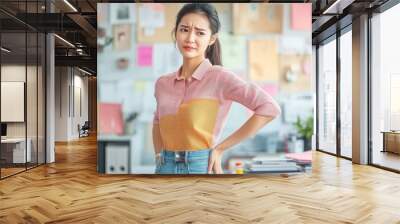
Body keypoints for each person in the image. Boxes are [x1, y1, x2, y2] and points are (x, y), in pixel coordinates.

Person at [152, 3, 281, 174]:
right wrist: (159, 156)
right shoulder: (162, 83)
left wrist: (220, 149)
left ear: (212, 39)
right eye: (184, 29)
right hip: (164, 166)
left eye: (200, 33)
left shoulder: (220, 77)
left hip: (200, 166)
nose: (190, 38)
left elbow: (269, 108)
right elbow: (157, 121)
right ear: (176, 32)